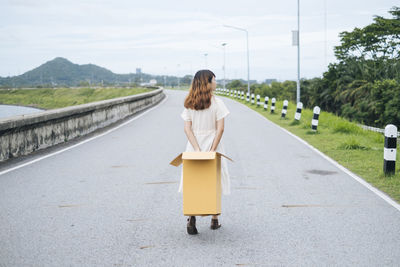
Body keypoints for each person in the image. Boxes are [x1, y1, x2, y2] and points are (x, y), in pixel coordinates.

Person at [180, 69, 230, 235]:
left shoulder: (189, 103)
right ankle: (214, 219)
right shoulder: (217, 103)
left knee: (194, 182)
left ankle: (192, 216)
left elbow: (187, 129)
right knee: (214, 181)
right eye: (214, 80)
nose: (216, 83)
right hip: (212, 145)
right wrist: (212, 149)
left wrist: (196, 149)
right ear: (207, 83)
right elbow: (220, 129)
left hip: (193, 147)